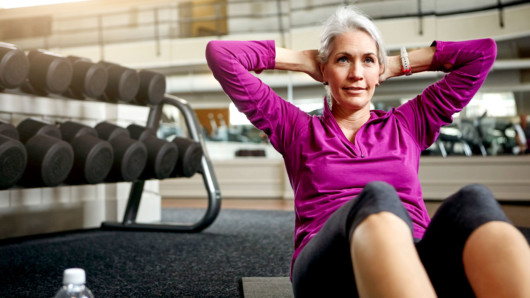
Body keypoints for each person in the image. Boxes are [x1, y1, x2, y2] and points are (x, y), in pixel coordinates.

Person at [205, 5, 530, 297]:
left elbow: (482, 53)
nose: (357, 74)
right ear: (324, 70)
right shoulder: (297, 129)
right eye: (343, 59)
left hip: (414, 255)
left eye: (368, 61)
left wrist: (397, 63)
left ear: (379, 73)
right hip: (330, 265)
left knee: (474, 200)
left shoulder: (409, 122)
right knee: (377, 197)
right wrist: (302, 60)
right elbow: (222, 55)